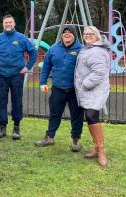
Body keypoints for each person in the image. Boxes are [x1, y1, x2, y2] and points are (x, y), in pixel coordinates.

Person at [0, 14, 38, 140]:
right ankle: (2, 127)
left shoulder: (21, 38)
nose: (8, 24)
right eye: (6, 22)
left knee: (17, 101)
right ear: (3, 24)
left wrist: (28, 67)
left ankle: (16, 127)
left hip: (17, 75)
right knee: (1, 101)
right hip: (2, 75)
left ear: (14, 24)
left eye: (10, 22)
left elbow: (33, 51)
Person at [35, 24, 84, 152]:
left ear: (74, 35)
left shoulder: (81, 49)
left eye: (69, 32)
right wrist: (43, 82)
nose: (66, 34)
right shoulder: (53, 49)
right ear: (61, 35)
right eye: (64, 32)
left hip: (75, 90)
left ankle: (76, 140)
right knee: (54, 114)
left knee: (76, 116)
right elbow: (46, 66)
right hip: (57, 89)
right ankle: (49, 138)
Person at [75, 26, 110, 166]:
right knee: (90, 116)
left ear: (97, 36)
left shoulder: (96, 51)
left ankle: (101, 151)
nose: (88, 35)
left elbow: (99, 73)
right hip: (89, 90)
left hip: (94, 89)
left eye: (91, 34)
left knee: (91, 115)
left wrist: (84, 85)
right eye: (86, 34)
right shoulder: (88, 48)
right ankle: (97, 149)